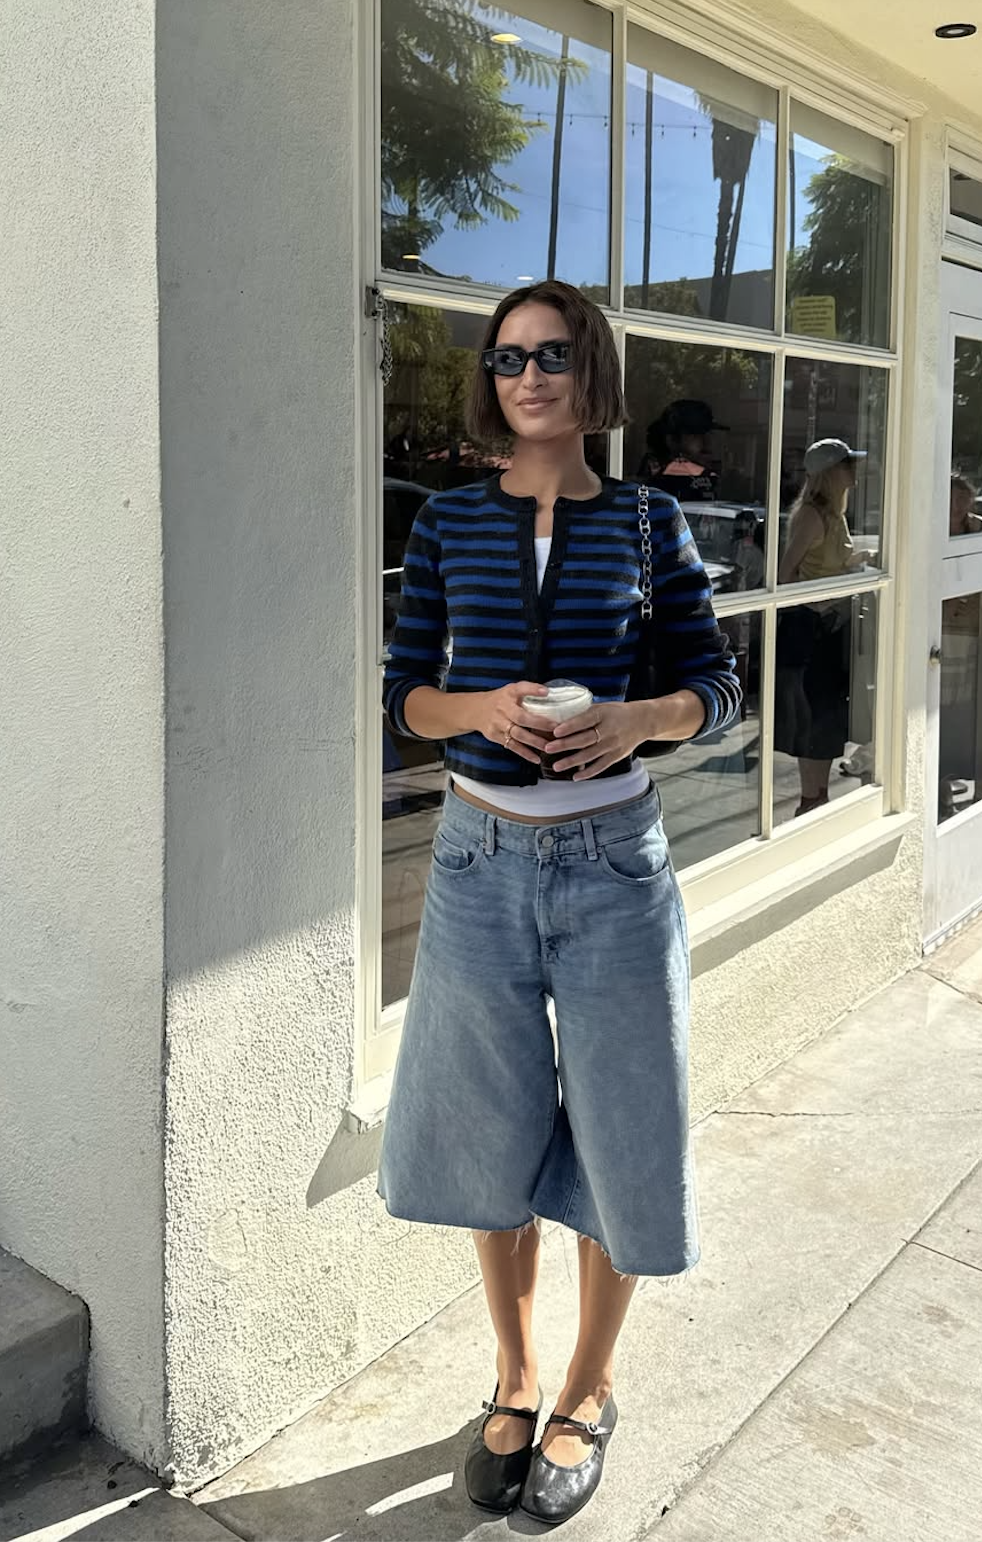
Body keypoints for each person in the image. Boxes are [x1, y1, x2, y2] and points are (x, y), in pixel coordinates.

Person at [379, 280, 742, 1526]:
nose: (526, 376)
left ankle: (589, 1385)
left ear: (591, 373)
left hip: (612, 869)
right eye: (506, 358)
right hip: (478, 867)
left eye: (551, 355)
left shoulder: (650, 521)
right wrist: (471, 712)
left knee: (620, 1127)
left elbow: (715, 686)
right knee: (485, 1125)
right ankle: (516, 1369)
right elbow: (404, 699)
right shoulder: (444, 523)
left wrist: (638, 718)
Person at [774, 438, 868, 816]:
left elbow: (832, 564)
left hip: (829, 629)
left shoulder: (833, 515)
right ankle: (811, 800)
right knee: (813, 716)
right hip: (812, 630)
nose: (854, 472)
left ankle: (818, 797)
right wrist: (823, 600)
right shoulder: (813, 515)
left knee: (827, 718)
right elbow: (785, 574)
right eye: (847, 465)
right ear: (831, 473)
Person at [638, 398, 726, 502]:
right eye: (695, 435)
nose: (707, 442)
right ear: (672, 440)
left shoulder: (714, 480)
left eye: (710, 434)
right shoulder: (658, 486)